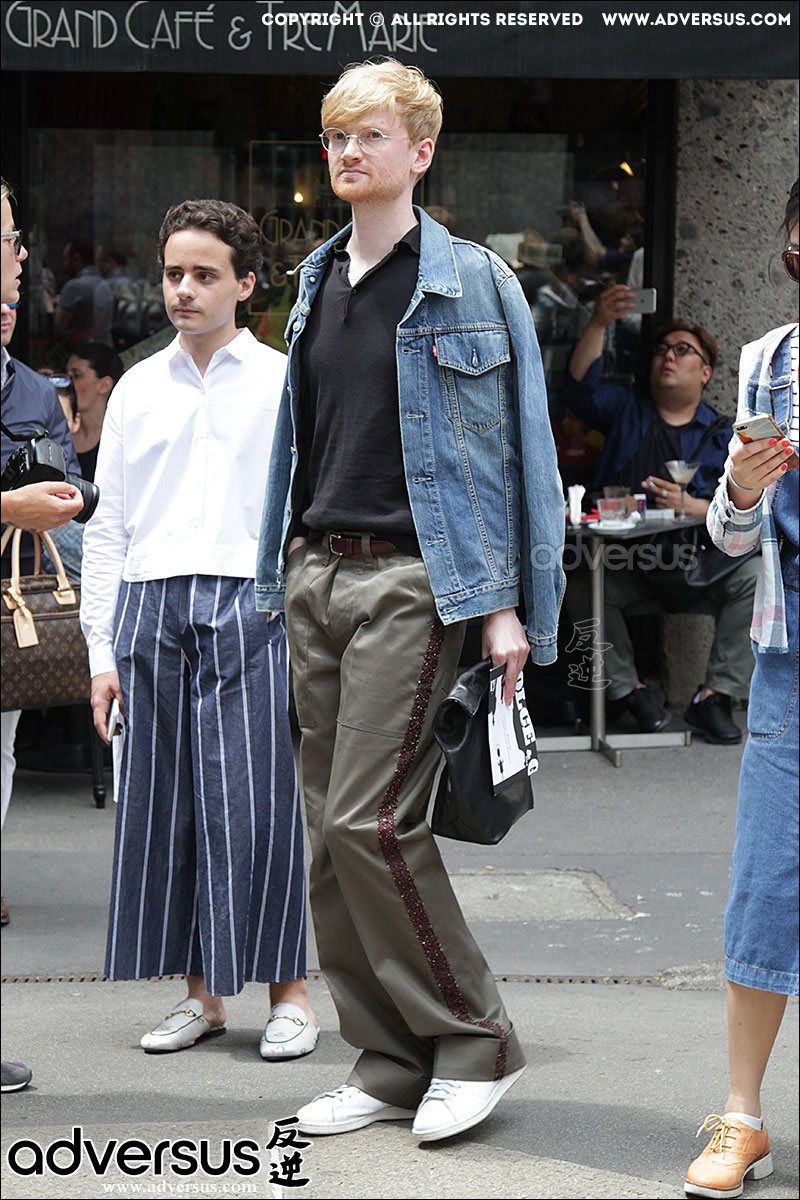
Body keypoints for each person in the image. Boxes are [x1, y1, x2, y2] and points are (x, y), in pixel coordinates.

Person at [255, 59, 565, 1142]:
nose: (347, 154)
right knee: (325, 836)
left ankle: (472, 1039)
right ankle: (386, 1058)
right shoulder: (312, 279)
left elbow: (519, 455)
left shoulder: (473, 281)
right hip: (315, 574)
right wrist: (278, 573)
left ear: (419, 152)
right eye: (336, 138)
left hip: (413, 577)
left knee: (370, 819)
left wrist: (509, 606)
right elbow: (300, 446)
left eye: (370, 137)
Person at [80, 198, 316, 1060]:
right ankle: (202, 995)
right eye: (174, 273)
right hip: (149, 604)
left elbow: (306, 509)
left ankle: (290, 993)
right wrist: (100, 652)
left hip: (252, 599)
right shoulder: (139, 386)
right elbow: (107, 528)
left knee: (258, 800)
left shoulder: (285, 380)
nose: (183, 289)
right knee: (163, 805)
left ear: (247, 285)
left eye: (204, 274)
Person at [685, 179, 799, 1200]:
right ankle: (743, 1116)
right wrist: (743, 488)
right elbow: (724, 539)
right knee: (764, 884)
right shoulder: (768, 361)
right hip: (786, 662)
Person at [563, 294, 759, 741]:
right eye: (661, 350)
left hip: (698, 566)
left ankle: (715, 698)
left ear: (706, 372)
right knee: (580, 582)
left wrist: (689, 506)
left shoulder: (724, 434)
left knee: (756, 573)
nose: (668, 356)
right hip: (631, 563)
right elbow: (579, 392)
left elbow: (747, 505)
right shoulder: (628, 411)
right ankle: (630, 691)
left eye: (682, 350)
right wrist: (599, 320)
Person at [1, 179, 81, 1095]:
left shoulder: (30, 386)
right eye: (11, 240)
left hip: (13, 633)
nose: (22, 256)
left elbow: (65, 496)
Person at [56, 236, 113, 347]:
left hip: (83, 352)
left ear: (77, 259)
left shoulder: (74, 287)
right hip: (106, 348)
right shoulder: (105, 284)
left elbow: (59, 327)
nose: (64, 265)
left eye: (66, 259)